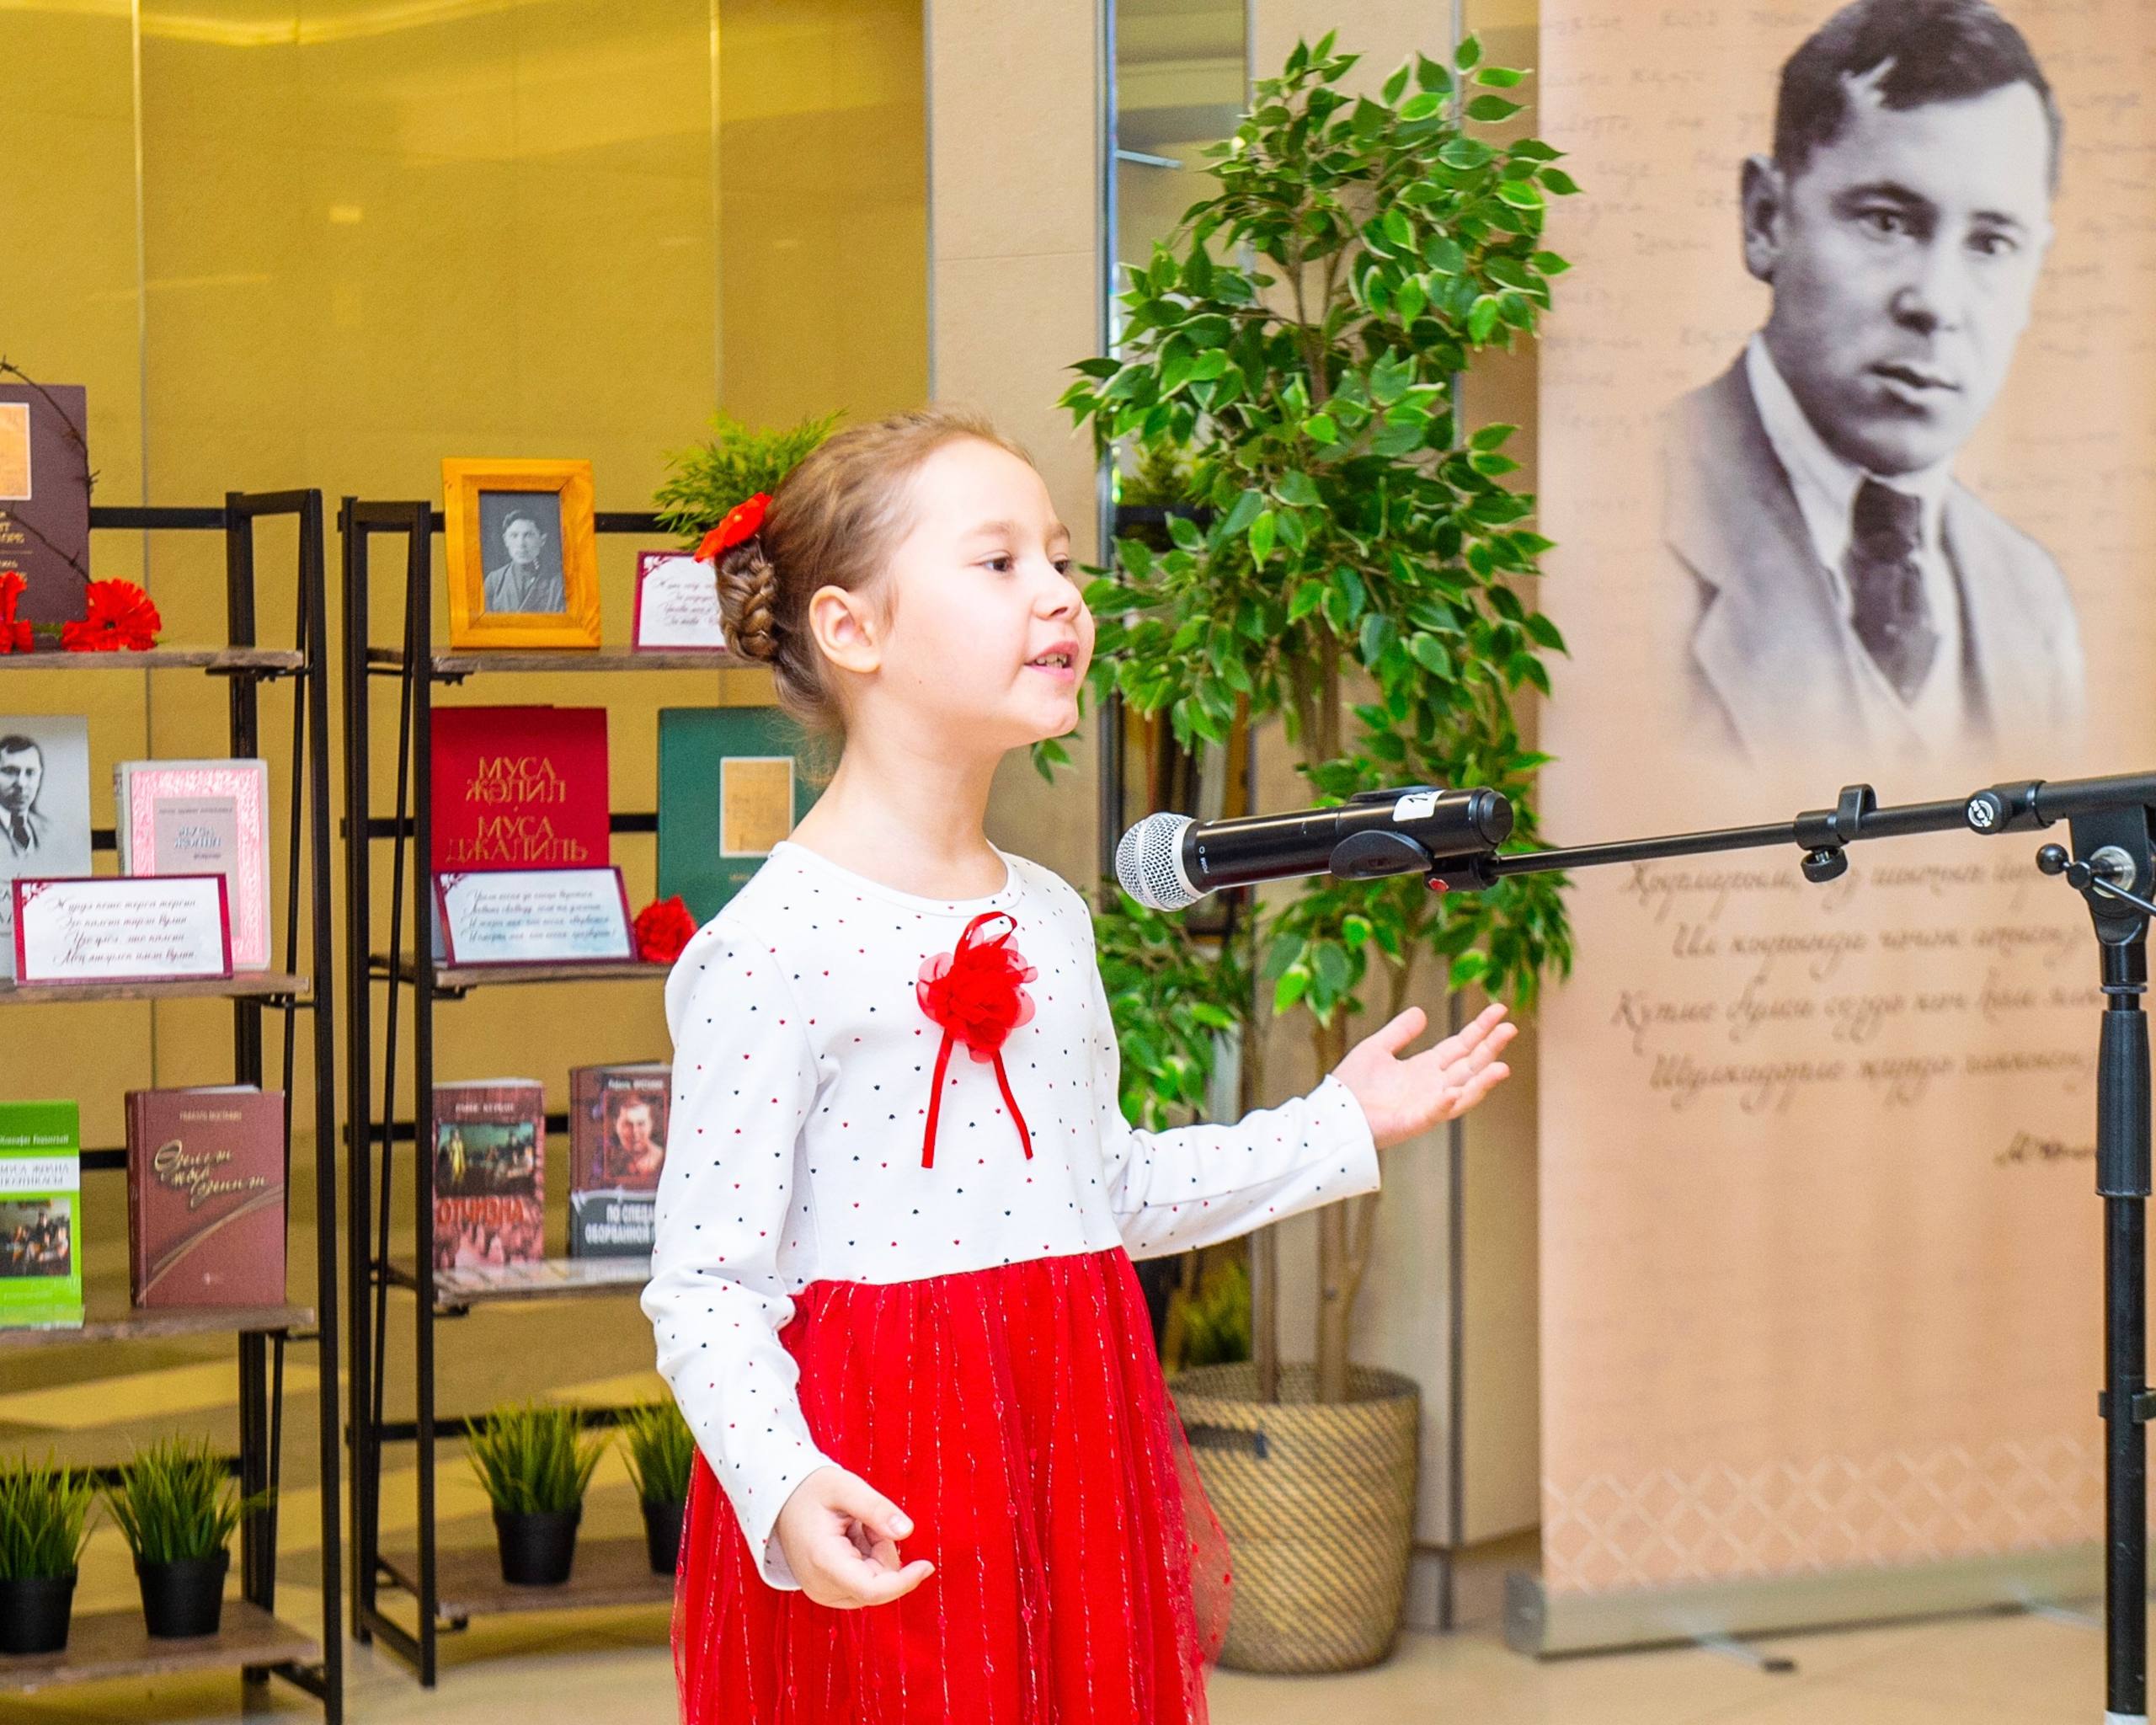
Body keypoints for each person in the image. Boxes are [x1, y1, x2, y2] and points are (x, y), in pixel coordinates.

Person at [641, 406, 1518, 1725]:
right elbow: (707, 1285)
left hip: (1071, 1436)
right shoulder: (770, 947)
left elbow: (1103, 1190)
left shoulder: (1050, 914)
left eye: (1058, 558)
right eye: (997, 565)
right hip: (883, 1467)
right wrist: (781, 1482)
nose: (1060, 595)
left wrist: (1339, 1125)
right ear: (851, 629)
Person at [1663, 0, 2083, 762]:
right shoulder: (1632, 518)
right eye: (1888, 221)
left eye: (1992, 242)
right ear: (1766, 219)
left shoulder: (2031, 598)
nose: (1936, 303)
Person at [483, 505, 564, 613]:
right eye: (514, 536)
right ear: (506, 540)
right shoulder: (494, 581)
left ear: (542, 540)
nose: (521, 544)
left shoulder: (559, 582)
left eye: (529, 535)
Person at [0, 734, 51, 859]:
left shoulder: (48, 829)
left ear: (40, 778)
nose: (21, 784)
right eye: (10, 771)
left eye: (30, 773)